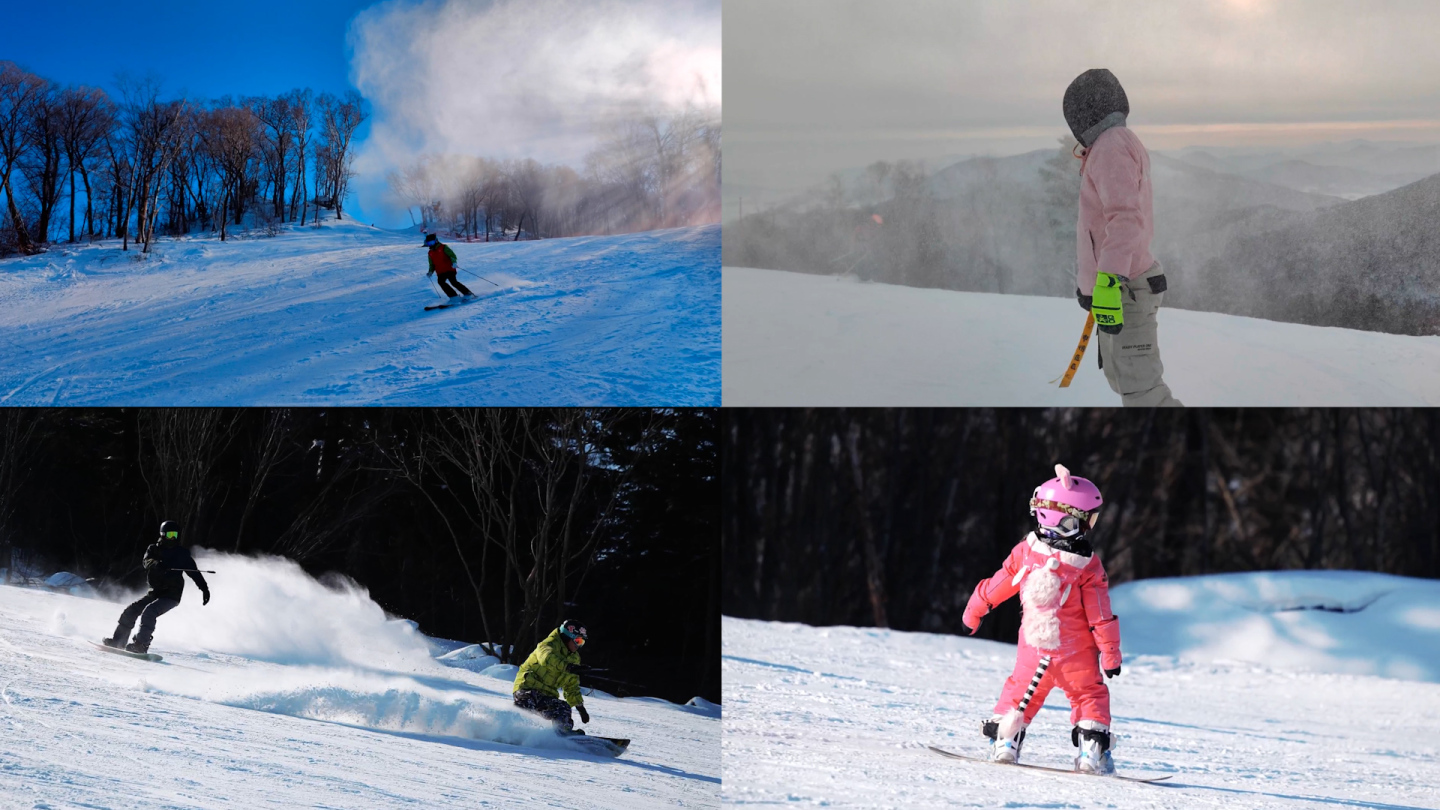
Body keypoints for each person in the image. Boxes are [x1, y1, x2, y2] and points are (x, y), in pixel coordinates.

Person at [961, 465, 1122, 774]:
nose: (1089, 527)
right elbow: (1100, 615)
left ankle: (1005, 743)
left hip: (1033, 651)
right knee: (1090, 694)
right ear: (1065, 519)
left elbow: (997, 586)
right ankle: (1092, 752)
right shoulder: (1088, 568)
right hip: (1076, 655)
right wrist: (1111, 654)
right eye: (1086, 520)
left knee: (1019, 692)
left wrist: (973, 613)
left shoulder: (1025, 553)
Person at [1065, 69, 1182, 407]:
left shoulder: (1111, 146)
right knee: (1128, 384)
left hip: (1125, 289)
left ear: (1083, 114)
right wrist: (1093, 285)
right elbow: (1101, 227)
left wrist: (1107, 281)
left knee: (1144, 393)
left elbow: (1126, 219)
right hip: (1121, 289)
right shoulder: (1111, 144)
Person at [103, 520, 210, 654]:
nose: (173, 538)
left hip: (171, 595)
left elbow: (194, 573)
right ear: (163, 534)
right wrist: (156, 564)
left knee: (150, 612)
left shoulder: (182, 554)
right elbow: (146, 561)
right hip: (154, 593)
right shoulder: (154, 549)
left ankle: (141, 645)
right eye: (170, 535)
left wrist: (204, 589)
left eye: (175, 535)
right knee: (131, 610)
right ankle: (118, 641)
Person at [513, 619, 590, 734]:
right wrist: (567, 666)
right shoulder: (547, 645)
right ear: (567, 636)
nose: (579, 645)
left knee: (562, 708)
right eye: (578, 641)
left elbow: (571, 684)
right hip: (527, 688)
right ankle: (514, 729)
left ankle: (562, 733)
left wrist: (579, 706)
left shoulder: (574, 658)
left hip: (547, 695)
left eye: (582, 642)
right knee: (527, 703)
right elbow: (547, 658)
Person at [423, 232, 475, 299]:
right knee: (441, 282)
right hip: (440, 272)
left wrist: (454, 262)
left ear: (436, 241)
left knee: (453, 282)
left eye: (432, 242)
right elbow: (431, 264)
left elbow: (452, 255)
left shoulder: (443, 247)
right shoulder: (430, 253)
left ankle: (468, 294)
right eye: (429, 243)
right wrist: (430, 271)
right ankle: (454, 297)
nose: (431, 244)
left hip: (449, 269)